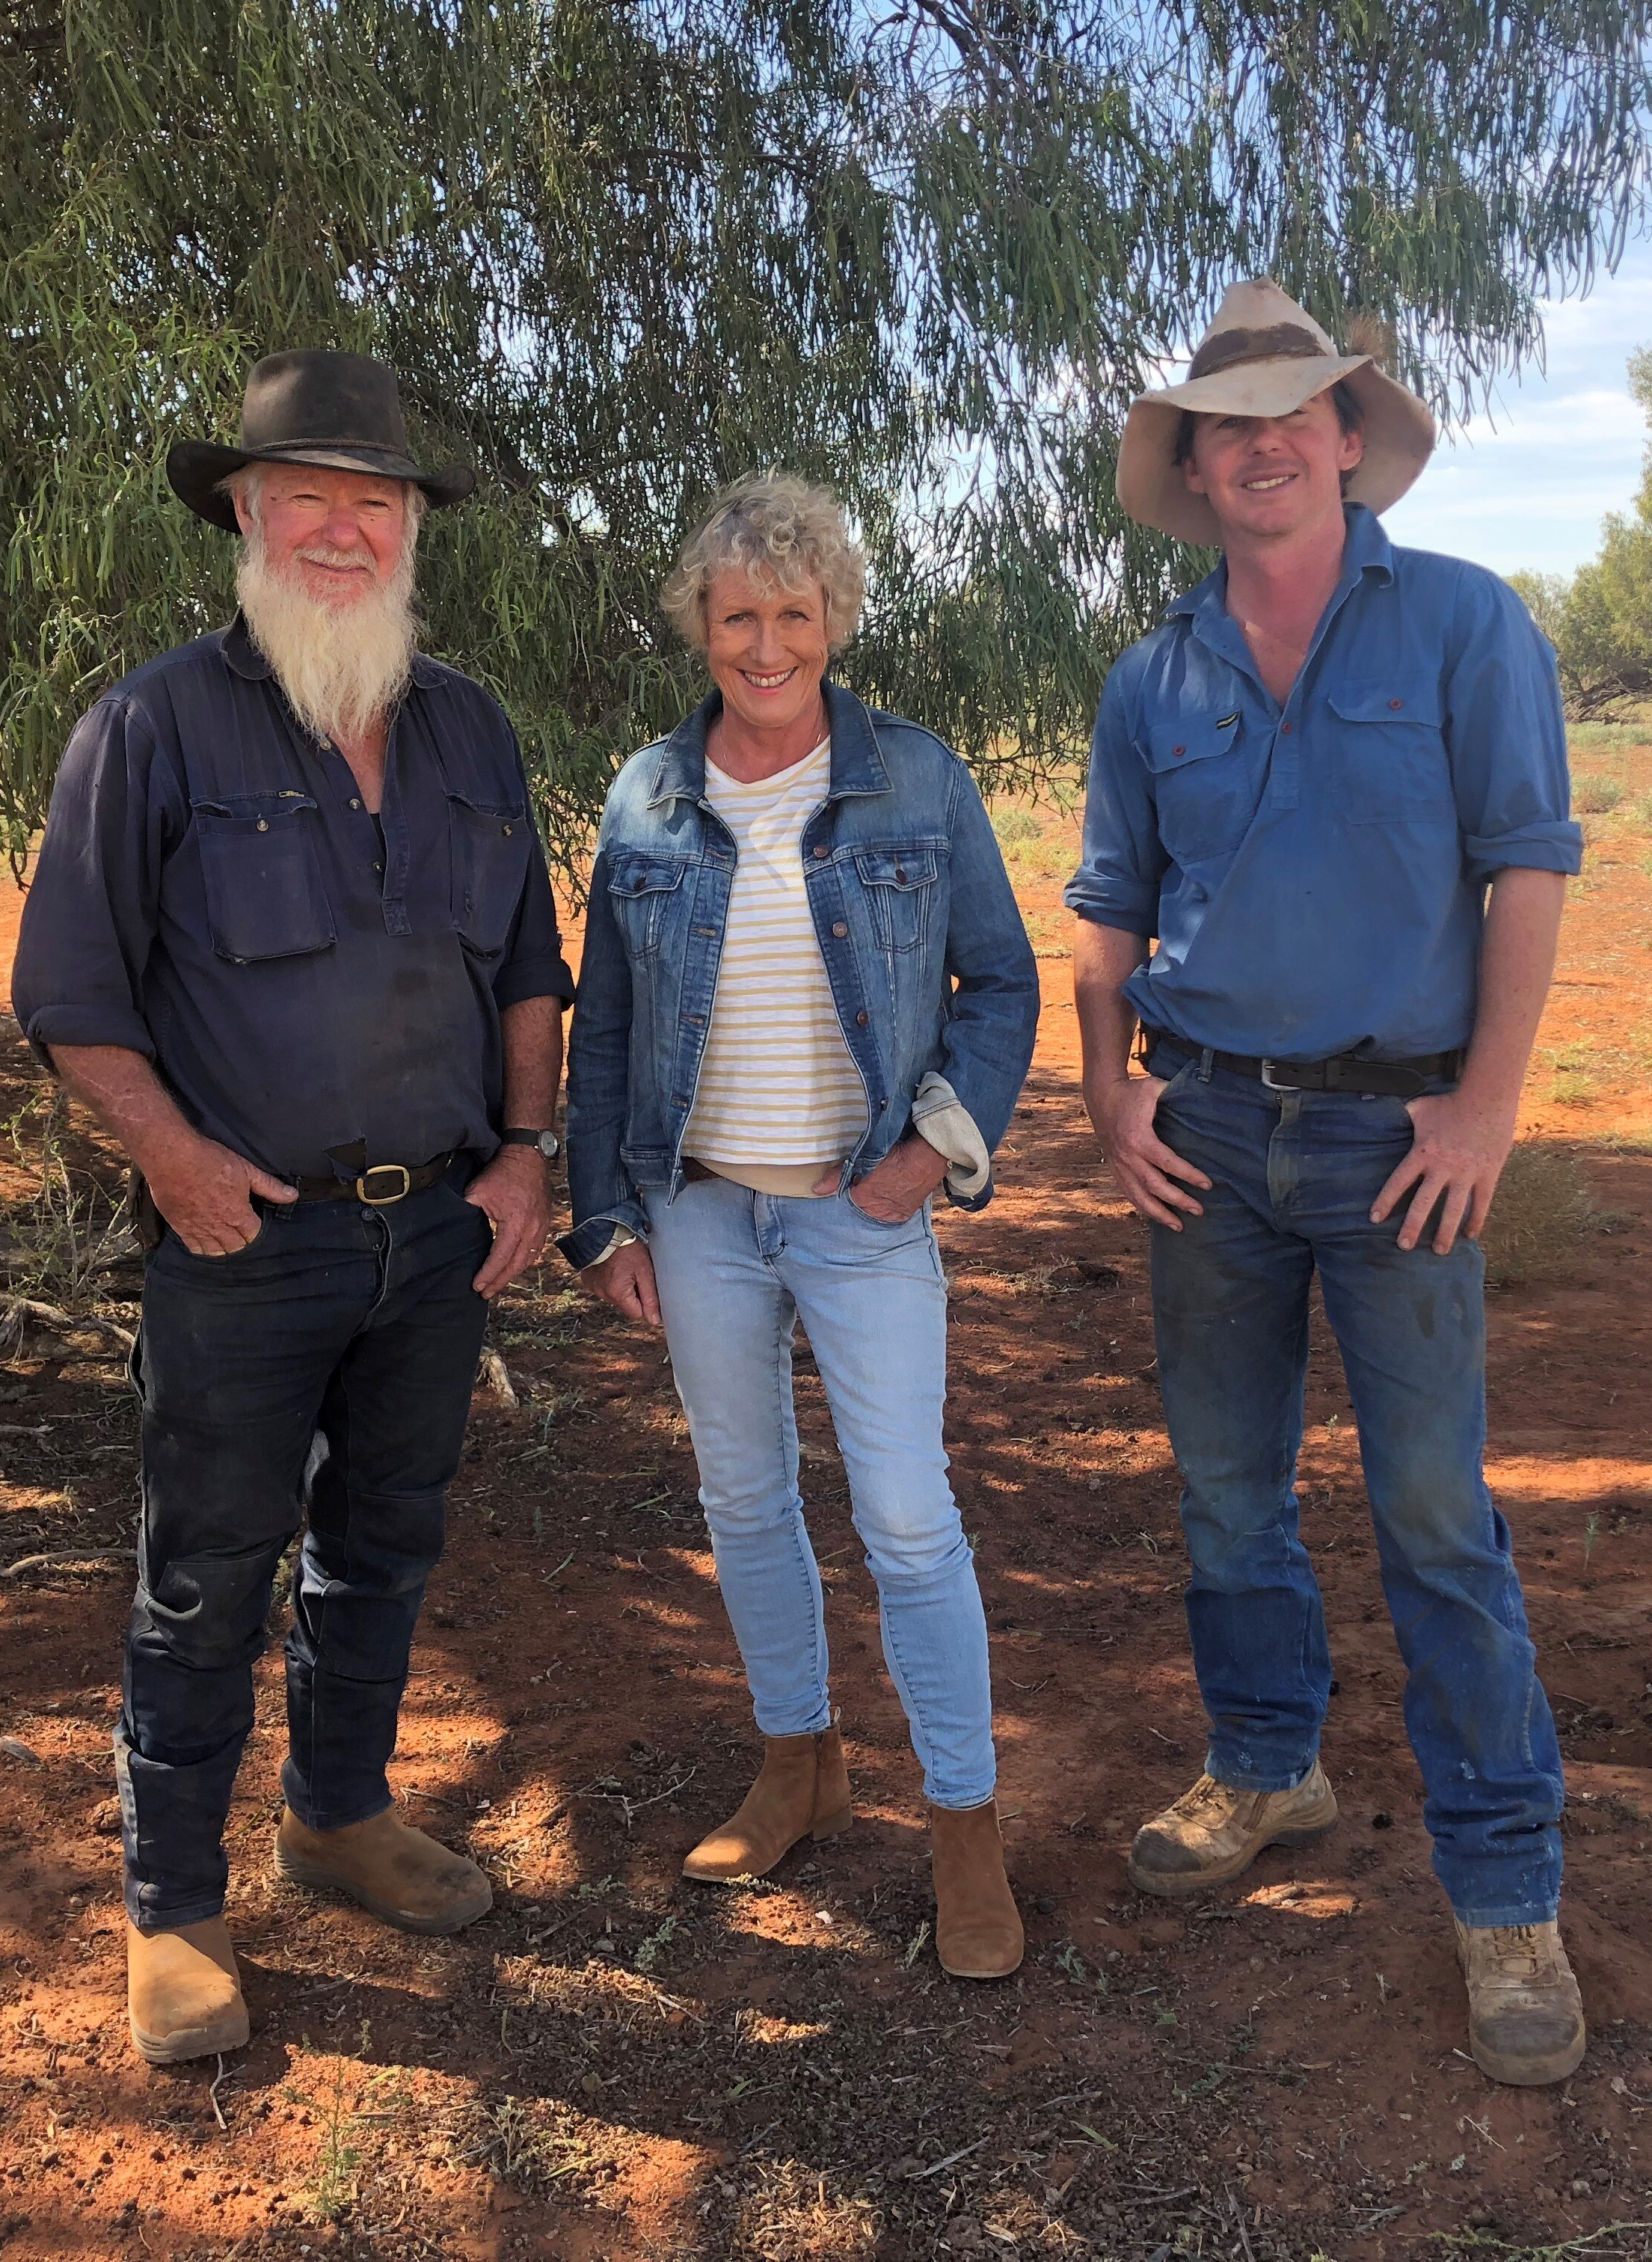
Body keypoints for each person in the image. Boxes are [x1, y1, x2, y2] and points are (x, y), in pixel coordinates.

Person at [10, 350, 576, 2065]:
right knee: (207, 1577)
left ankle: (335, 1817)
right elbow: (70, 992)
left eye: (377, 503)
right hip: (242, 1243)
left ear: (412, 531)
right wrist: (170, 1159)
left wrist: (528, 1154)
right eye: (310, 499)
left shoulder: (473, 728)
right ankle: (172, 1908)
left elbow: (531, 980)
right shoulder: (153, 728)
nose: (345, 529)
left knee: (384, 1545)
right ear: (248, 518)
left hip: (439, 1239)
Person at [1065, 281, 1588, 2085]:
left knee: (1435, 1515)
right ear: (1195, 468)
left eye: (1298, 415)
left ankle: (1506, 1893)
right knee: (1226, 1490)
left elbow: (1528, 869)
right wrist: (1101, 1096)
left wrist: (1487, 1112)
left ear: (1351, 442)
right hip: (1203, 1137)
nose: (1264, 443)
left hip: (1398, 1147)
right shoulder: (1155, 675)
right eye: (1228, 425)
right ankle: (1270, 1767)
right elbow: (1109, 912)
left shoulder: (1460, 626)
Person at [561, 474, 1041, 1980]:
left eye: (794, 613)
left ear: (834, 618)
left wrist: (928, 1160)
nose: (765, 645)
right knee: (745, 1501)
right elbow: (610, 1026)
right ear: (700, 626)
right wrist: (605, 1220)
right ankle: (799, 1762)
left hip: (857, 1207)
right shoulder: (650, 793)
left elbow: (1002, 983)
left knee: (907, 1519)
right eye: (736, 616)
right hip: (703, 1207)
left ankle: (964, 1827)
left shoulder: (913, 779)